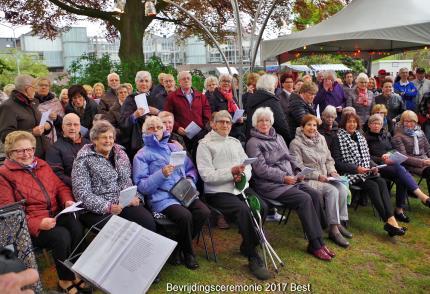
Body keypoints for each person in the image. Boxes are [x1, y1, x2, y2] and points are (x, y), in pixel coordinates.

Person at [0, 131, 87, 293]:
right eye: (20, 151)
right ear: (10, 153)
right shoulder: (4, 175)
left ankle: (75, 270)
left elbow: (60, 186)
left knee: (76, 226)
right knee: (61, 236)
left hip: (55, 214)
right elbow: (10, 213)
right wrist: (37, 223)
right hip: (30, 227)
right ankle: (64, 280)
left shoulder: (41, 164)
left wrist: (67, 200)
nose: (26, 154)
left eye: (30, 149)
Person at [246, 107, 334, 261]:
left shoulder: (278, 137)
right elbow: (261, 170)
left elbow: (290, 157)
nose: (264, 123)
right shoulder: (253, 143)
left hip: (290, 179)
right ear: (255, 123)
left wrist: (299, 171)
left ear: (271, 121)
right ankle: (315, 244)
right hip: (271, 186)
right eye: (260, 121)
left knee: (314, 194)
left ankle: (319, 239)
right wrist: (283, 178)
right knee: (304, 199)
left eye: (267, 120)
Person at [196, 110, 271, 279]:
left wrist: (242, 175)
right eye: (221, 122)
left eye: (228, 122)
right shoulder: (205, 145)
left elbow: (248, 165)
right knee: (243, 211)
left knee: (263, 207)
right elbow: (206, 175)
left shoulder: (235, 142)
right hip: (219, 192)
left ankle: (247, 244)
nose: (225, 125)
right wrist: (231, 172)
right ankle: (252, 255)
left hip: (240, 186)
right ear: (213, 124)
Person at [133, 116, 210, 270]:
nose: (156, 130)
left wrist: (189, 180)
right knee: (185, 216)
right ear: (144, 131)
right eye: (151, 128)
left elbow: (191, 169)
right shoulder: (141, 155)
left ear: (164, 130)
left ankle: (177, 248)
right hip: (162, 197)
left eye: (158, 127)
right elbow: (142, 186)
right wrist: (161, 174)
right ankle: (189, 253)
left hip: (184, 191)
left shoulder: (174, 148)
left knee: (204, 212)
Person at [330, 112, 406, 237]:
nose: (352, 124)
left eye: (354, 122)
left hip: (365, 171)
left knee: (381, 182)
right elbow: (337, 163)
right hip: (350, 173)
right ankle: (389, 221)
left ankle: (391, 221)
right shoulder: (337, 137)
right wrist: (356, 168)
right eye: (349, 122)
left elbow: (366, 157)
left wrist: (373, 166)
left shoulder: (360, 136)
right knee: (373, 186)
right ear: (344, 123)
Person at [72, 120, 156, 233]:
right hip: (97, 209)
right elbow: (82, 193)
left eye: (111, 137)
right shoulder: (83, 160)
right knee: (118, 231)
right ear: (94, 140)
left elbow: (128, 180)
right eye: (104, 137)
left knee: (147, 222)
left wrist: (137, 197)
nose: (108, 141)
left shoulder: (120, 154)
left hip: (124, 203)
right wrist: (108, 206)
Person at [290, 114, 351, 247]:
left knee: (342, 188)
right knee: (332, 191)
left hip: (325, 176)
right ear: (302, 127)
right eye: (309, 125)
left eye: (314, 125)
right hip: (307, 180)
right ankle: (333, 229)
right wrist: (318, 176)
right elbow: (298, 167)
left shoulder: (321, 139)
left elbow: (329, 159)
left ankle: (339, 222)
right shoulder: (295, 143)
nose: (312, 128)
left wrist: (332, 171)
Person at [364, 114, 430, 223]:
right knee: (400, 170)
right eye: (374, 123)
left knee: (401, 178)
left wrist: (390, 154)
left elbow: (392, 149)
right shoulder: (365, 138)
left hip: (389, 164)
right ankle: (421, 196)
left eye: (379, 123)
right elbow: (366, 156)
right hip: (376, 166)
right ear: (369, 125)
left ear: (382, 125)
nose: (376, 126)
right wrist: (381, 158)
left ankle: (399, 209)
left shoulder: (386, 135)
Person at [0, 74, 53, 158]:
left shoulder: (32, 102)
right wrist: (32, 132)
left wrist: (48, 125)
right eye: (34, 88)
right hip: (25, 157)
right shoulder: (8, 106)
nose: (35, 91)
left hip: (42, 152)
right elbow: (5, 136)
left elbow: (37, 123)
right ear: (28, 89)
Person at [164, 71, 212, 154]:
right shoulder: (172, 97)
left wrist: (203, 128)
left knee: (199, 156)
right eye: (183, 79)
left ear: (191, 80)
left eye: (188, 78)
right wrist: (177, 127)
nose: (186, 80)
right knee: (186, 158)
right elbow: (168, 115)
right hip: (182, 135)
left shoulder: (201, 96)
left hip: (199, 135)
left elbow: (207, 114)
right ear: (179, 82)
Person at [120, 71, 162, 157]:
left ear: (150, 83)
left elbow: (167, 117)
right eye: (141, 81)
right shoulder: (130, 99)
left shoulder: (157, 97)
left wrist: (158, 112)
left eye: (147, 81)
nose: (144, 83)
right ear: (136, 83)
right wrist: (134, 116)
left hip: (158, 138)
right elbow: (122, 122)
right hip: (138, 141)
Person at [392, 110, 430, 198]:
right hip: (410, 164)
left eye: (412, 121)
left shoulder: (420, 133)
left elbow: (428, 148)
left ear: (416, 122)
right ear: (402, 122)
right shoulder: (398, 136)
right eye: (406, 121)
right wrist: (424, 162)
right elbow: (404, 157)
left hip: (425, 161)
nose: (409, 124)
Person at [46, 113, 90, 187]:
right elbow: (57, 174)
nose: (72, 128)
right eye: (69, 124)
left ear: (80, 127)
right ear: (63, 127)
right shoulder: (54, 148)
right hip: (71, 187)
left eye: (75, 124)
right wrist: (78, 184)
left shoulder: (88, 143)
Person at [246, 74, 292, 144]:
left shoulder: (251, 99)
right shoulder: (272, 101)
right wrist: (289, 141)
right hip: (270, 142)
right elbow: (281, 125)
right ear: (271, 86)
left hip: (252, 139)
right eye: (274, 85)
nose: (275, 87)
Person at [207, 74, 245, 142]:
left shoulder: (232, 97)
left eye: (228, 81)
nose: (226, 83)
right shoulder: (214, 97)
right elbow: (211, 116)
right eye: (224, 81)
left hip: (235, 131)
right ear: (219, 83)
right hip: (222, 133)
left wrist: (240, 119)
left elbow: (237, 110)